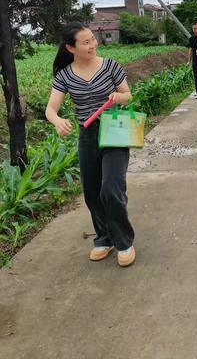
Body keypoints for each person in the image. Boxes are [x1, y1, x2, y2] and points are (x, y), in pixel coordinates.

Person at [45, 23, 136, 267]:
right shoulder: (64, 75)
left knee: (111, 188)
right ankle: (104, 238)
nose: (93, 44)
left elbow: (128, 94)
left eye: (93, 40)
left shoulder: (110, 66)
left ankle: (124, 241)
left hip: (114, 130)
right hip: (87, 134)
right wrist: (57, 121)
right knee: (93, 191)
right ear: (71, 48)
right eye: (85, 42)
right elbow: (50, 109)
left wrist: (120, 96)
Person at [188, 22, 197, 98]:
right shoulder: (191, 38)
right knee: (196, 76)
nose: (195, 30)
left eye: (196, 28)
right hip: (195, 60)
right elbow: (190, 50)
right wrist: (189, 60)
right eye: (194, 29)